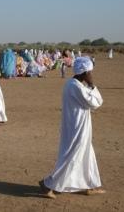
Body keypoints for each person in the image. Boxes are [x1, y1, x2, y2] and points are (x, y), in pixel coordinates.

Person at [39, 56, 105, 199]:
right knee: (73, 156)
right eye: (89, 73)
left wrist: (90, 86)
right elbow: (95, 103)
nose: (91, 75)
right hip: (77, 127)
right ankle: (48, 183)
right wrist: (93, 85)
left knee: (87, 153)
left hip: (79, 125)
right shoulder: (75, 86)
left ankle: (88, 185)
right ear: (84, 72)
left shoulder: (75, 85)